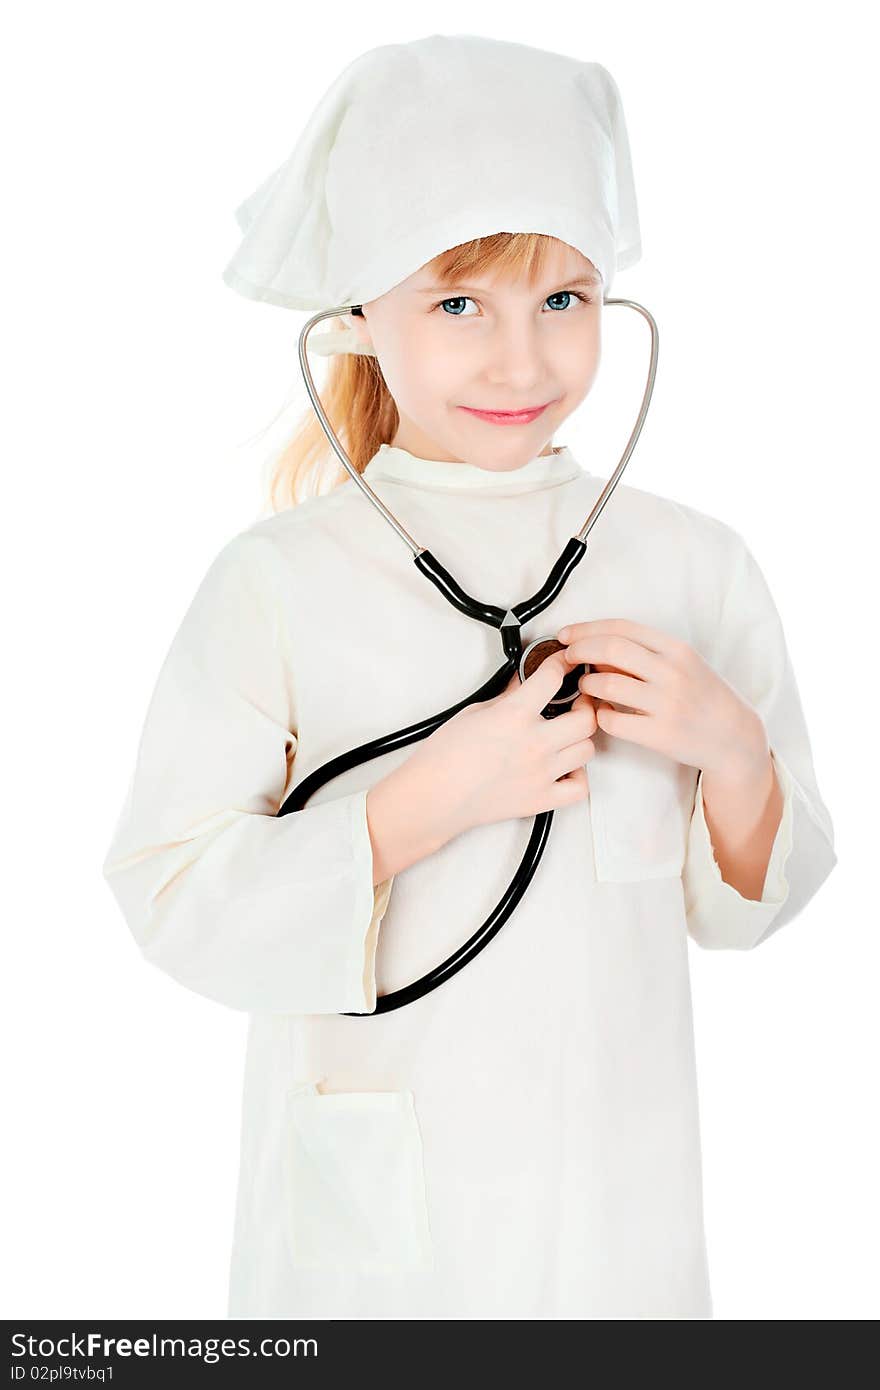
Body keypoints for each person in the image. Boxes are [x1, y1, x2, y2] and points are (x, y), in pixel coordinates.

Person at [101, 35, 837, 1320]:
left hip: (619, 1215)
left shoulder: (690, 563)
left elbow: (752, 908)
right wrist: (428, 799)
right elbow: (170, 897)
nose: (521, 361)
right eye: (459, 304)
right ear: (360, 312)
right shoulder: (276, 582)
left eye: (564, 299)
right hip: (376, 1237)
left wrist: (730, 748)